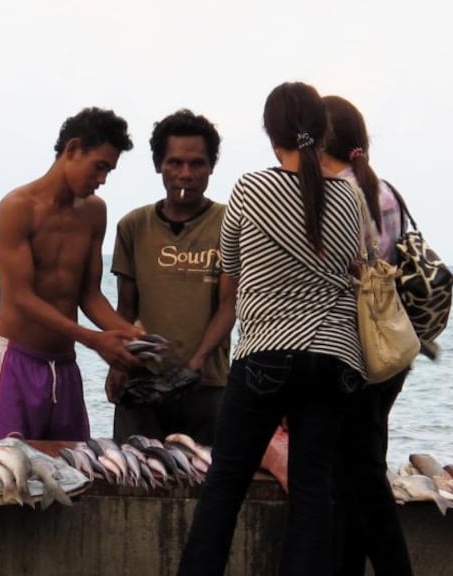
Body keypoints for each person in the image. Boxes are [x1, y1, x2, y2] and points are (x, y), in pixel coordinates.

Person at [177, 82, 365, 576]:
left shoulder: (249, 189)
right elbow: (356, 270)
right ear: (323, 130)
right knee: (312, 490)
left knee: (226, 484)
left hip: (264, 352)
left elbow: (232, 274)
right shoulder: (350, 198)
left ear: (269, 132)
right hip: (333, 357)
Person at [0, 107, 143, 441]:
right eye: (99, 166)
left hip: (64, 366)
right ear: (72, 149)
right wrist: (95, 340)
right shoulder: (17, 208)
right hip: (15, 361)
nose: (102, 180)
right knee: (6, 476)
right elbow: (21, 298)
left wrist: (129, 334)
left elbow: (89, 294)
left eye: (109, 170)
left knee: (72, 473)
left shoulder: (95, 212)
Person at [320, 94, 413, 576]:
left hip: (348, 355)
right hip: (387, 355)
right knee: (359, 473)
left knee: (358, 482)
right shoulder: (386, 191)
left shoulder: (335, 195)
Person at [104, 109, 235, 445]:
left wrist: (196, 363)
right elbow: (126, 307)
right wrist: (118, 362)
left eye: (197, 164)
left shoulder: (229, 223)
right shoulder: (134, 226)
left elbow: (230, 303)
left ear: (211, 167)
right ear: (158, 165)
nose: (185, 174)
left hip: (207, 385)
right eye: (175, 163)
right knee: (135, 480)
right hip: (142, 384)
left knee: (205, 483)